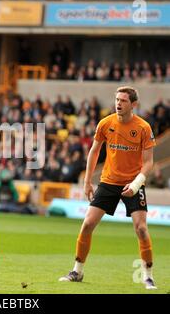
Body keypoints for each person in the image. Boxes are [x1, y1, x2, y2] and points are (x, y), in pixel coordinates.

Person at [59, 86, 157, 290]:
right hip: (109, 181)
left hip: (133, 183)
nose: (118, 104)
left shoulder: (143, 128)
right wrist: (87, 181)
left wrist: (136, 183)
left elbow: (148, 163)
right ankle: (77, 271)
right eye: (117, 100)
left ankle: (148, 276)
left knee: (141, 228)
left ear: (133, 105)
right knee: (87, 225)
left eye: (123, 101)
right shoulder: (106, 123)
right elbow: (94, 152)